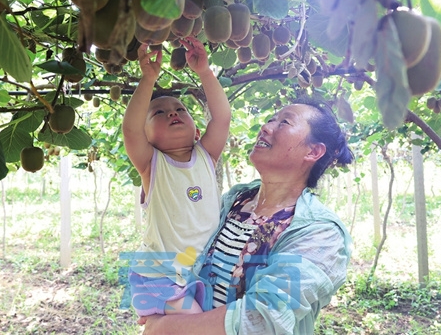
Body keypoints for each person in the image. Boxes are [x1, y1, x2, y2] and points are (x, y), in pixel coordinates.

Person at [138, 97, 354, 334]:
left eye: (284, 123)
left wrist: (165, 328)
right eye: (270, 119)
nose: (266, 127)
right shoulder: (236, 200)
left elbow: (262, 318)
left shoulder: (320, 234)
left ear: (313, 151)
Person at [122, 36, 231, 318]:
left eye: (180, 110)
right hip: (160, 275)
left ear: (197, 131)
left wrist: (205, 72)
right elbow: (130, 131)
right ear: (146, 137)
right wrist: (148, 80)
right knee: (198, 326)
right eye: (159, 113)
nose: (173, 112)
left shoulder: (206, 155)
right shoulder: (152, 164)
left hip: (195, 271)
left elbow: (221, 119)